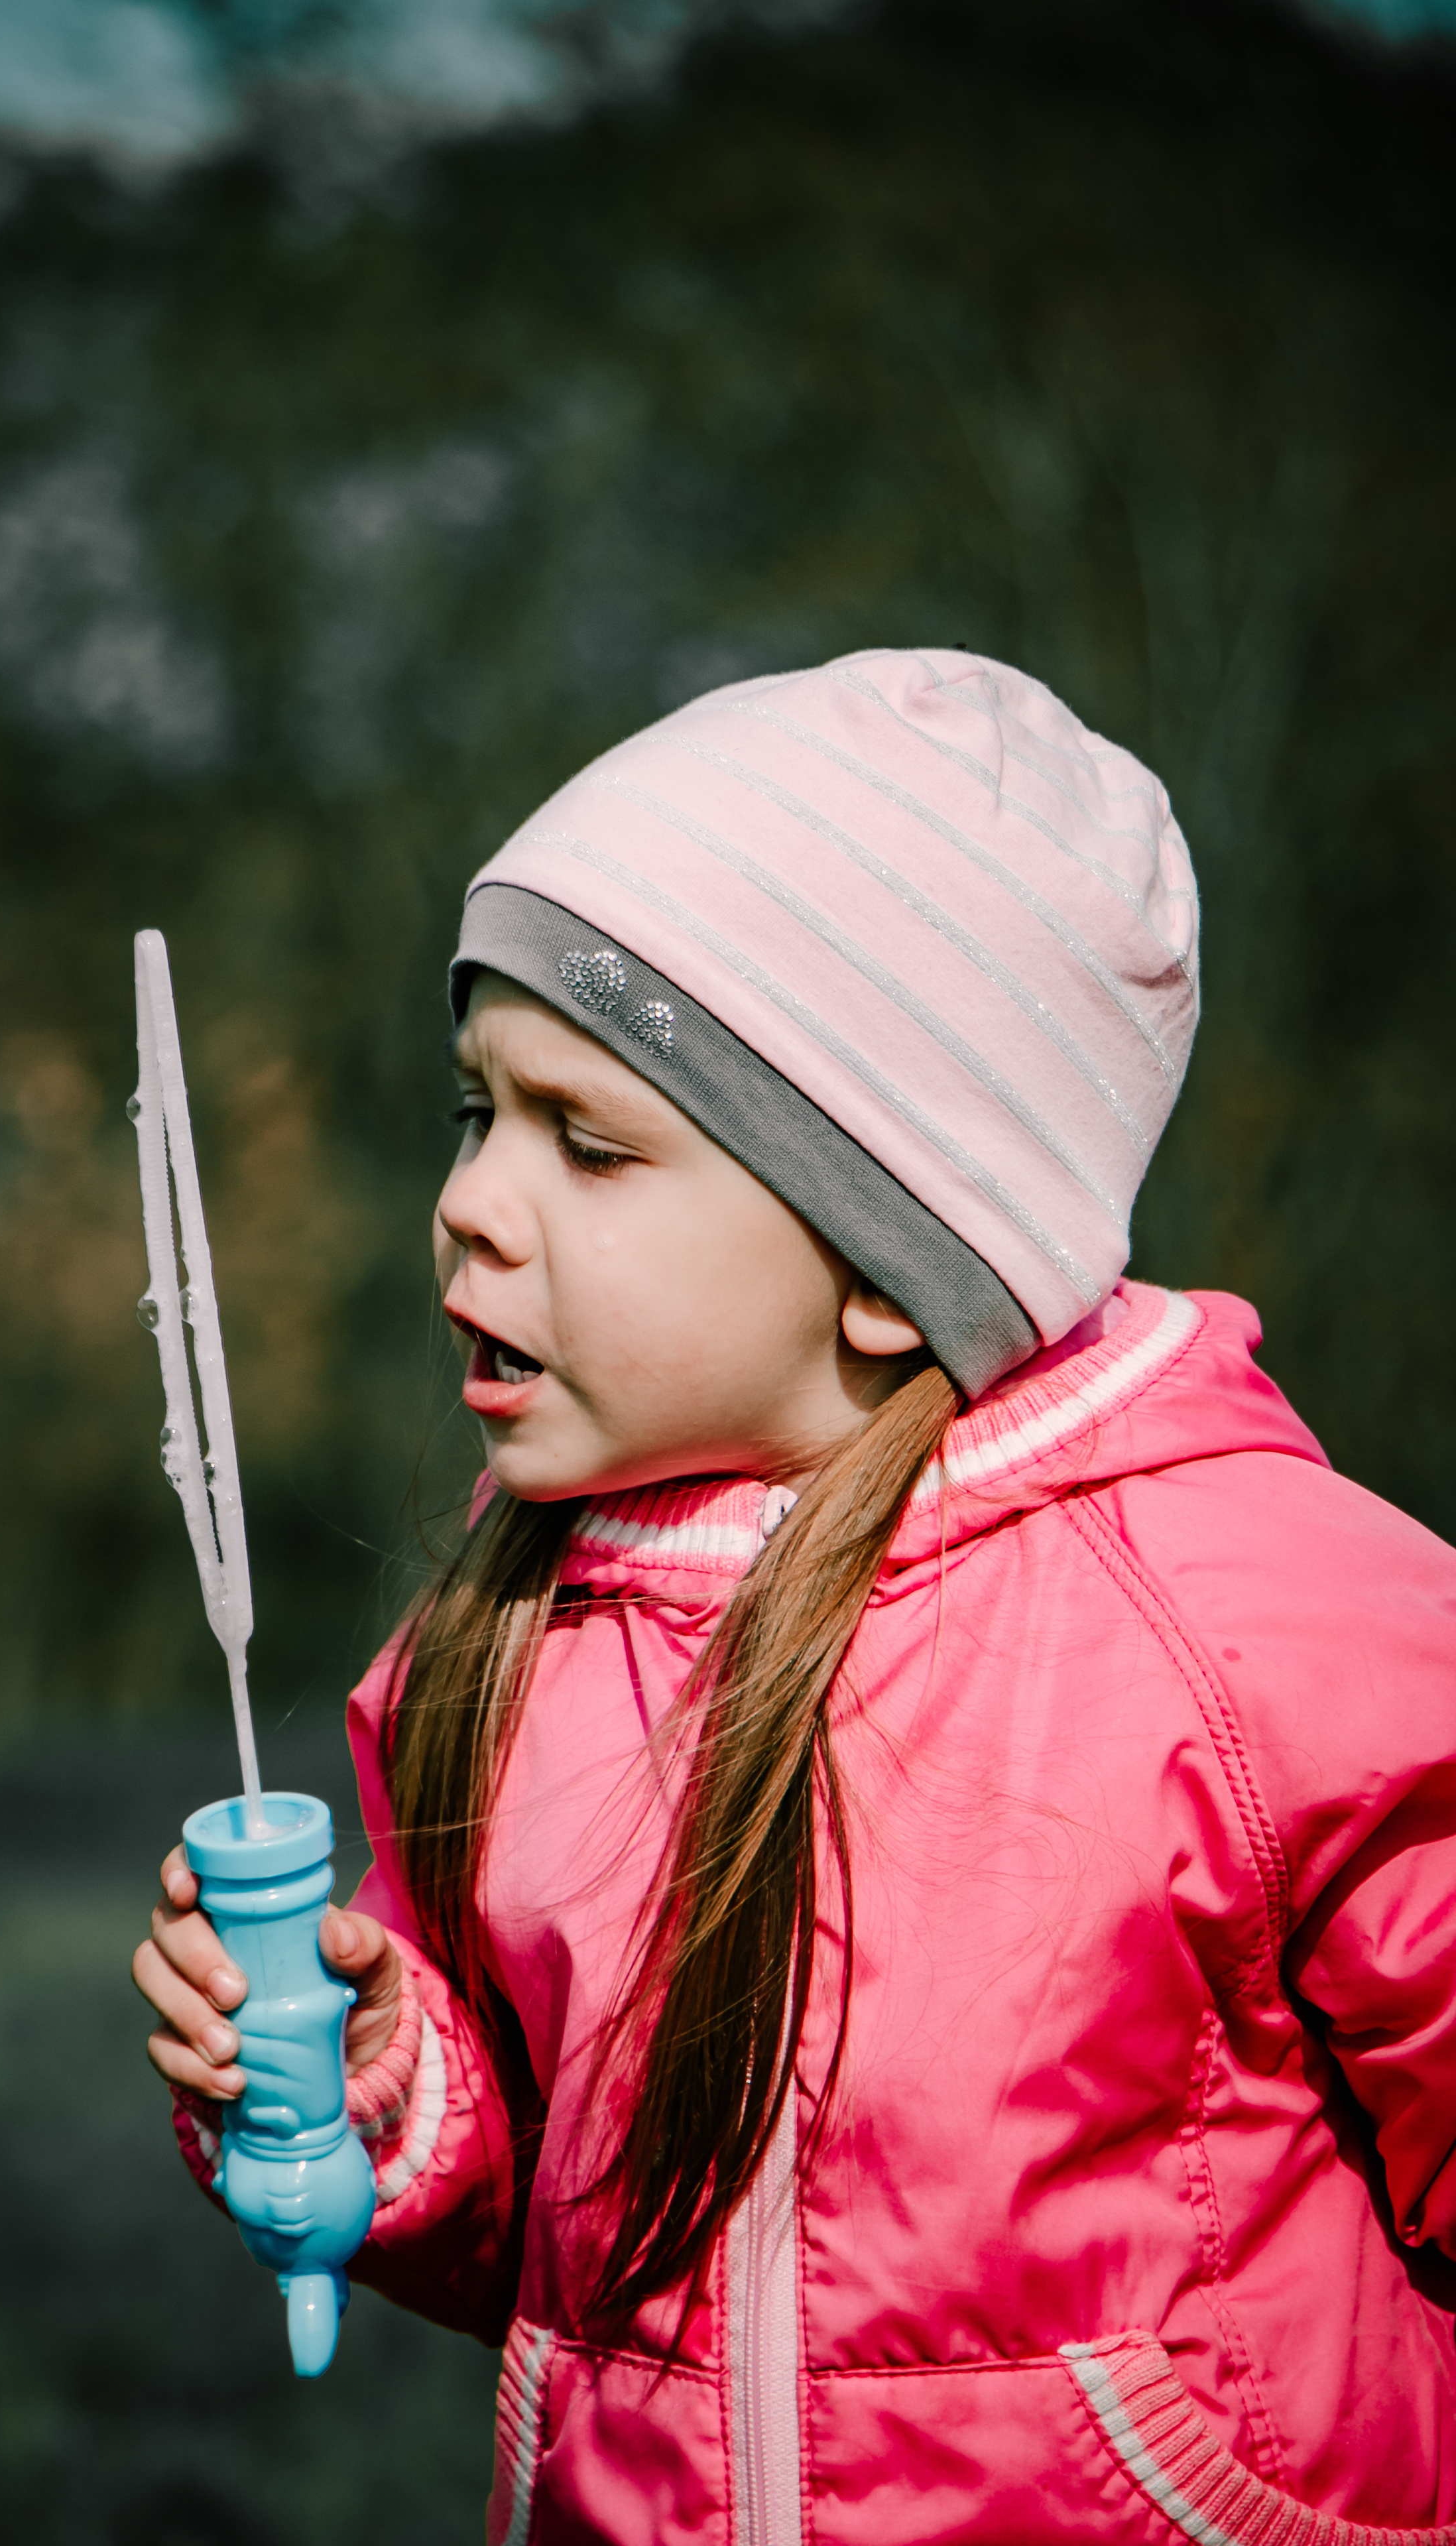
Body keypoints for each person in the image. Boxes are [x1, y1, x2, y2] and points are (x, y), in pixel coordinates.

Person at [132, 650, 1456, 2544]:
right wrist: (376, 2094)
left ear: (893, 1258)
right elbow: (548, 2233)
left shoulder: (1264, 1628)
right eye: (473, 1113)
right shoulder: (501, 1656)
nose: (476, 1205)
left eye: (590, 1144)